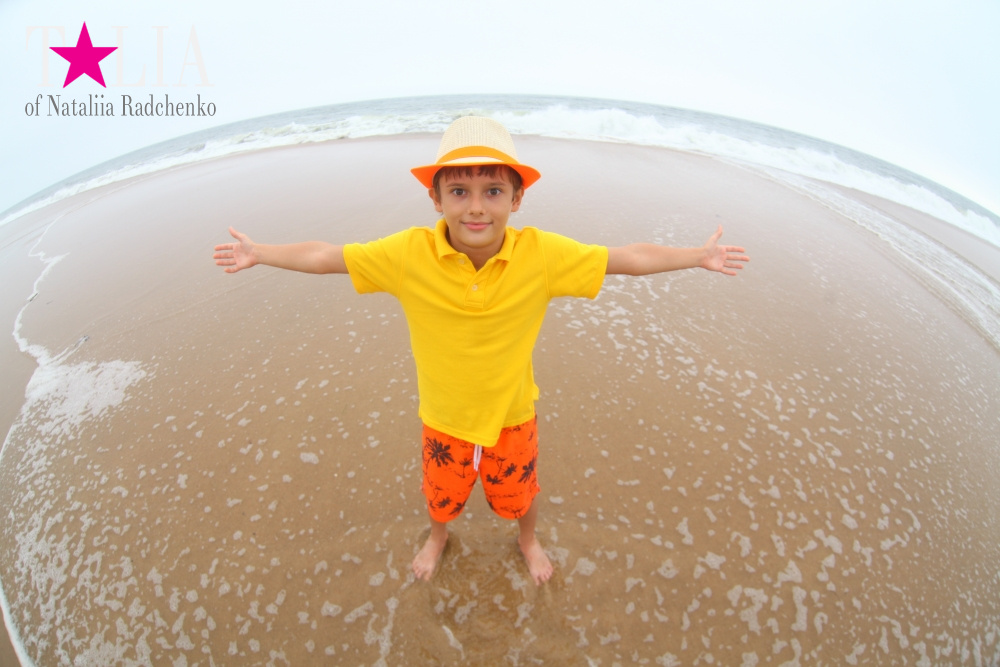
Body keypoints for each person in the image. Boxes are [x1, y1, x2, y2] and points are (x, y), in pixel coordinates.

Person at [213, 116, 749, 585]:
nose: (475, 207)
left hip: (512, 417)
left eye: (493, 191)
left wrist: (696, 256)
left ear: (517, 199)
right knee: (440, 498)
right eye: (459, 191)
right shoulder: (408, 254)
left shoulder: (541, 254)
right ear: (436, 198)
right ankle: (438, 537)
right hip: (442, 419)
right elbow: (328, 255)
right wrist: (260, 253)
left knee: (521, 497)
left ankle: (528, 540)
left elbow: (625, 257)